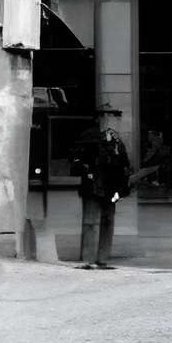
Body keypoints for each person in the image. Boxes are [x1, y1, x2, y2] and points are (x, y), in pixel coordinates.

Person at [70, 104, 132, 269]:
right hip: (95, 185)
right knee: (93, 221)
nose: (108, 120)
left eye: (111, 116)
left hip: (109, 186)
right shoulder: (90, 137)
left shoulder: (116, 141)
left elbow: (123, 164)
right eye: (106, 116)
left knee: (106, 221)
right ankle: (89, 259)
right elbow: (77, 162)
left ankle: (101, 259)